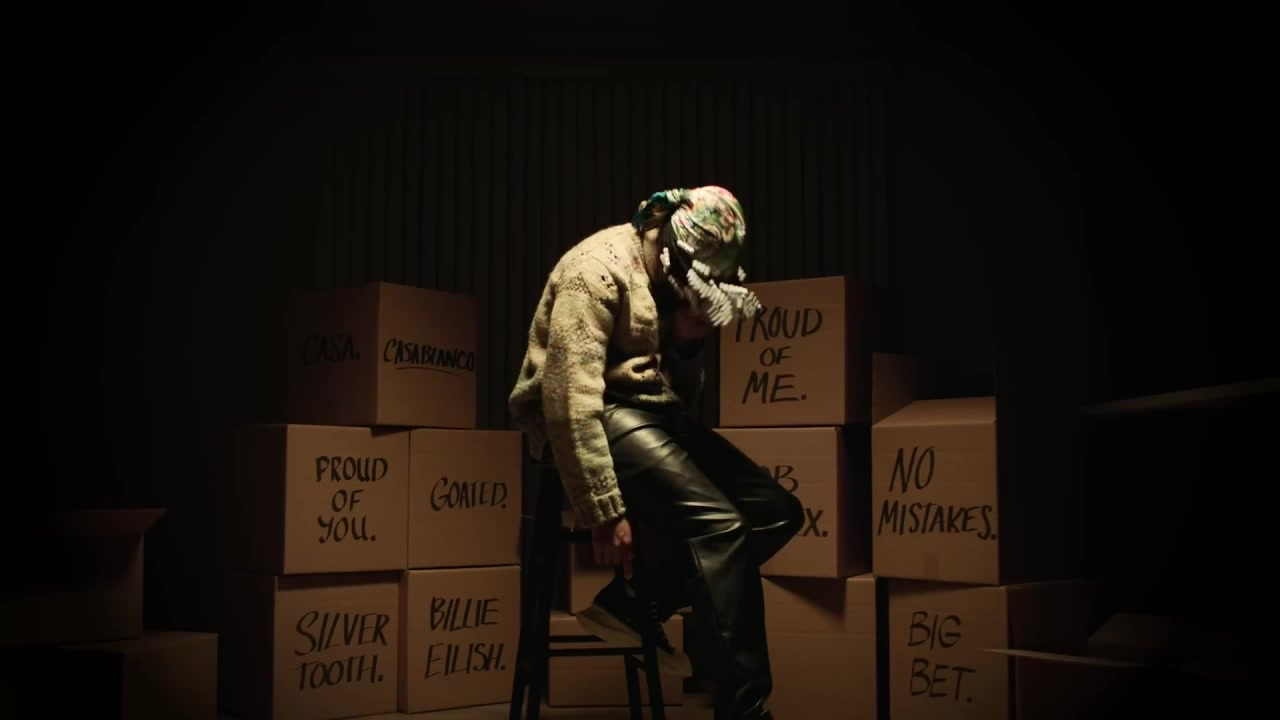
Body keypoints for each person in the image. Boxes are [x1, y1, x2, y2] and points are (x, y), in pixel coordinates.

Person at [508, 186, 804, 720]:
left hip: (647, 413)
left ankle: (636, 602)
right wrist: (602, 508)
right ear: (670, 254)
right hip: (591, 415)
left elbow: (674, 397)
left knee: (777, 512)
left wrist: (686, 342)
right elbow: (568, 401)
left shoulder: (675, 287)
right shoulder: (595, 271)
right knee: (722, 529)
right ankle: (746, 711)